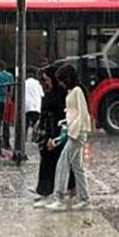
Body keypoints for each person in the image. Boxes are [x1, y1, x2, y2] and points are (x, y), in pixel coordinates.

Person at [44, 65, 93, 210]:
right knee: (77, 167)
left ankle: (59, 198)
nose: (60, 83)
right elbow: (75, 112)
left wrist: (72, 130)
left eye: (61, 80)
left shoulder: (77, 91)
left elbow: (82, 113)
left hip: (76, 133)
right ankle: (85, 199)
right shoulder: (74, 91)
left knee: (63, 162)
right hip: (75, 131)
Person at [32, 67, 75, 207]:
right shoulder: (50, 93)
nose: (46, 83)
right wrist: (40, 122)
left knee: (54, 163)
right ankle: (48, 191)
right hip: (48, 132)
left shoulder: (61, 95)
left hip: (55, 133)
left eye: (47, 80)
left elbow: (62, 118)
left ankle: (52, 192)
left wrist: (55, 137)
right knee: (50, 162)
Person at [0, 62, 15, 155]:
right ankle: (6, 138)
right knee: (6, 120)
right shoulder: (10, 76)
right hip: (6, 101)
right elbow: (11, 88)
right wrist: (10, 98)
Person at [25, 69, 43, 139]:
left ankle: (24, 137)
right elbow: (42, 94)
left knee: (25, 123)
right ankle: (34, 137)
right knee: (35, 122)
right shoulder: (38, 83)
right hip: (36, 105)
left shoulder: (24, 83)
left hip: (26, 105)